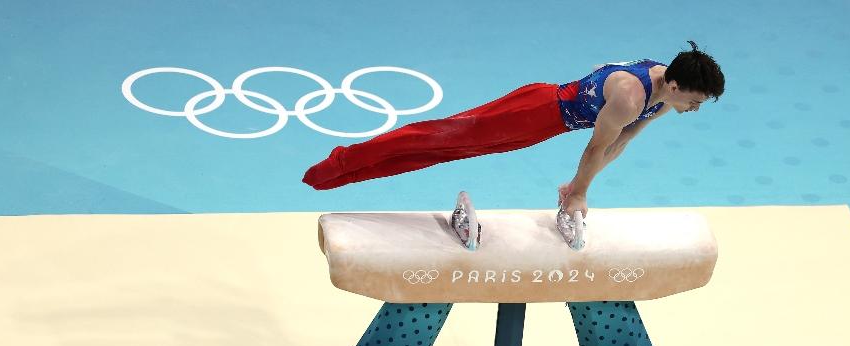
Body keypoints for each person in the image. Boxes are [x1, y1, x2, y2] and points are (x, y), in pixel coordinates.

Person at [303, 41, 725, 249]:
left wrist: (577, 189)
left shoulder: (663, 96)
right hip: (535, 109)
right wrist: (578, 191)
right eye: (692, 100)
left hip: (544, 126)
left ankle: (346, 170)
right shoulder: (631, 96)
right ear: (673, 83)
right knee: (437, 137)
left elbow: (623, 139)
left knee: (448, 150)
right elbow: (597, 147)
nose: (691, 109)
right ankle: (338, 165)